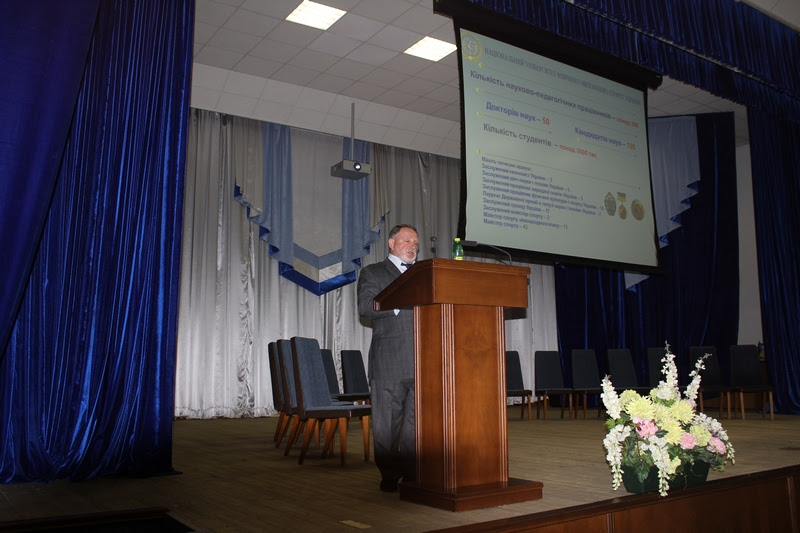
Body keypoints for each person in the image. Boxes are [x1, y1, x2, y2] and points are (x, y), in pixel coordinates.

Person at [356, 224, 419, 492]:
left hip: (422, 360)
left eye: (415, 242)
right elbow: (366, 306)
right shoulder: (374, 272)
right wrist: (401, 302)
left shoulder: (422, 273)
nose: (412, 246)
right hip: (390, 362)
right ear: (392, 243)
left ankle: (413, 472)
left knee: (416, 425)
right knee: (387, 425)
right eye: (406, 241)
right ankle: (389, 475)